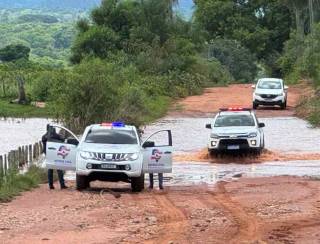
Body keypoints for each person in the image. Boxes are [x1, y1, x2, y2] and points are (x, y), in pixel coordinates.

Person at [42, 124, 67, 190]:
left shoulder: (44, 136)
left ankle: (51, 185)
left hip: (49, 154)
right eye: (52, 128)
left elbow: (62, 139)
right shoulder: (52, 136)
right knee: (58, 169)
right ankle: (62, 185)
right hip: (54, 154)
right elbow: (62, 139)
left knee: (51, 169)